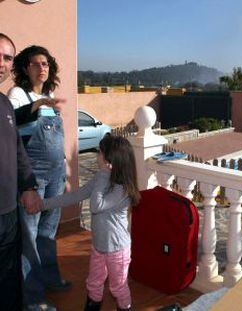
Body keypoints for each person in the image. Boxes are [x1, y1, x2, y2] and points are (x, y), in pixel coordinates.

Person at [43, 134, 140, 311]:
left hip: (117, 250)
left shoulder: (123, 190)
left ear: (110, 160)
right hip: (99, 247)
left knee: (118, 287)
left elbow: (96, 206)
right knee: (94, 283)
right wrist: (43, 204)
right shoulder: (102, 179)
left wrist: (103, 174)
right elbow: (76, 195)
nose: (97, 156)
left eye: (100, 153)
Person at [8, 45, 68, 310]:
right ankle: (32, 298)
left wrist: (64, 167)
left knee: (48, 231)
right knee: (29, 235)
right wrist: (37, 105)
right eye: (35, 64)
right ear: (25, 67)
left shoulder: (50, 94)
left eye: (45, 63)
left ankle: (50, 278)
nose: (41, 68)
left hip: (56, 173)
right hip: (34, 174)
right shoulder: (18, 94)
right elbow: (12, 124)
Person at [0, 33, 42, 311]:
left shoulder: (4, 104)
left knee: (8, 280)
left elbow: (17, 149)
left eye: (7, 57)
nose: (1, 63)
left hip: (7, 214)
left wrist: (28, 187)